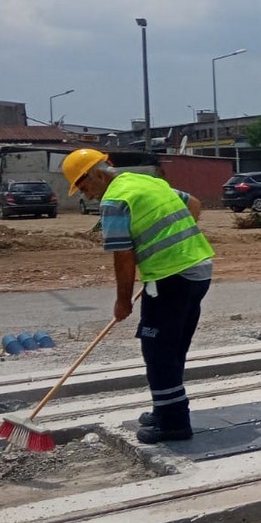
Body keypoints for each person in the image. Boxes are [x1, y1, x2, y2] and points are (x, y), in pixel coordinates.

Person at [62, 149, 214, 445]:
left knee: (157, 350)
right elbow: (193, 204)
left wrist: (122, 301)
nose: (86, 195)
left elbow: (123, 255)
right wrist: (174, 244)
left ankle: (174, 423)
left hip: (171, 277)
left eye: (83, 186)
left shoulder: (114, 201)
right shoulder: (144, 181)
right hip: (198, 269)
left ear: (97, 174)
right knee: (172, 347)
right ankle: (165, 408)